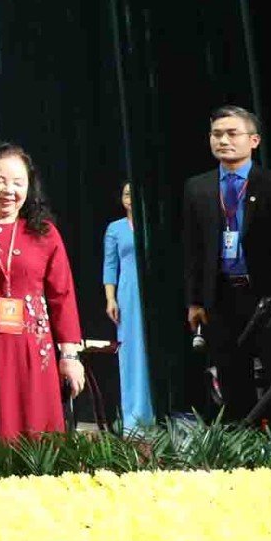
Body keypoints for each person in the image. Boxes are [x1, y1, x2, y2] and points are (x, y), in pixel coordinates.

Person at [0, 144, 85, 442]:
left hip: (34, 352)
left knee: (38, 435)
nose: (9, 190)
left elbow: (62, 296)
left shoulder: (44, 233)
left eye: (18, 182)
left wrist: (69, 356)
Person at [181, 106, 271, 428]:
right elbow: (192, 249)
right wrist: (194, 301)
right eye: (216, 134)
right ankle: (241, 448)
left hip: (268, 298)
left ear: (254, 140)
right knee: (232, 381)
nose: (223, 141)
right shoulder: (198, 187)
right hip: (221, 297)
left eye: (232, 133)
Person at [103, 183, 154, 431]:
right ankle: (134, 416)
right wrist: (110, 299)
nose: (130, 198)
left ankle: (157, 413)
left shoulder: (151, 224)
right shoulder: (115, 228)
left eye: (134, 194)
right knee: (131, 352)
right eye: (126, 194)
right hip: (128, 294)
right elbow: (110, 265)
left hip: (152, 292)